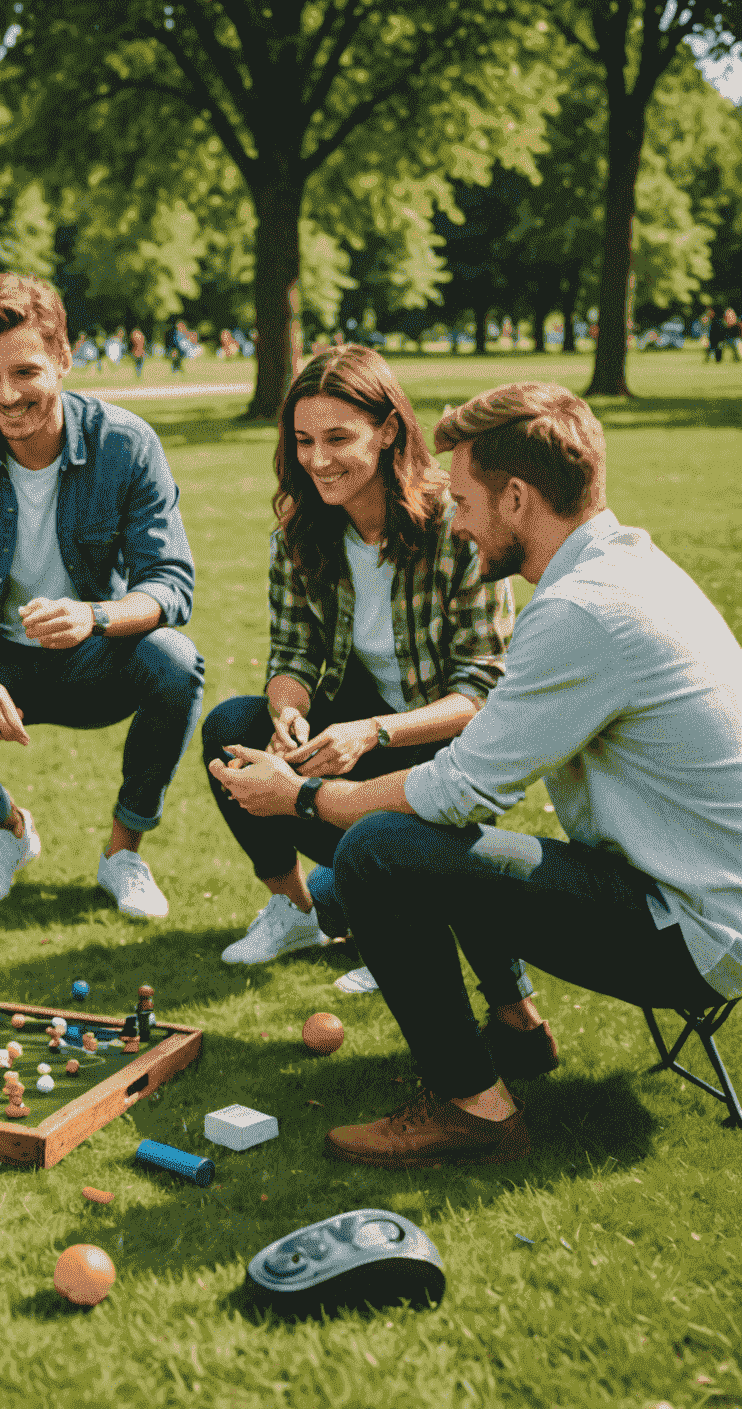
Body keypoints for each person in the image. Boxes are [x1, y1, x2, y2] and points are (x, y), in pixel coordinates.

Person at [212, 381, 742, 1167]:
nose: (454, 521)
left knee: (381, 853)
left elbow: (461, 789)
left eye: (462, 500)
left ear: (519, 498)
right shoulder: (627, 569)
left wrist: (307, 798)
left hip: (693, 931)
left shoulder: (581, 612)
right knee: (401, 838)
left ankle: (473, 1108)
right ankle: (511, 1026)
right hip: (689, 896)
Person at [203, 346, 529, 1025]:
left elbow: (482, 692)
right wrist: (287, 712)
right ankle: (300, 910)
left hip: (441, 748)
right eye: (304, 441)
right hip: (354, 736)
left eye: (338, 438)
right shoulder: (299, 531)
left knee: (389, 844)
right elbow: (293, 651)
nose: (318, 459)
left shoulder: (455, 526)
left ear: (387, 432)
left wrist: (372, 732)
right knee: (233, 732)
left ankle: (407, 926)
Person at [0, 273, 203, 918]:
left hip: (98, 656)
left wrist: (96, 616)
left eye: (26, 372)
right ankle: (7, 830)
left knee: (175, 660)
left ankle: (123, 852)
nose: (7, 396)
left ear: (63, 358)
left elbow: (170, 581)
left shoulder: (126, 441)